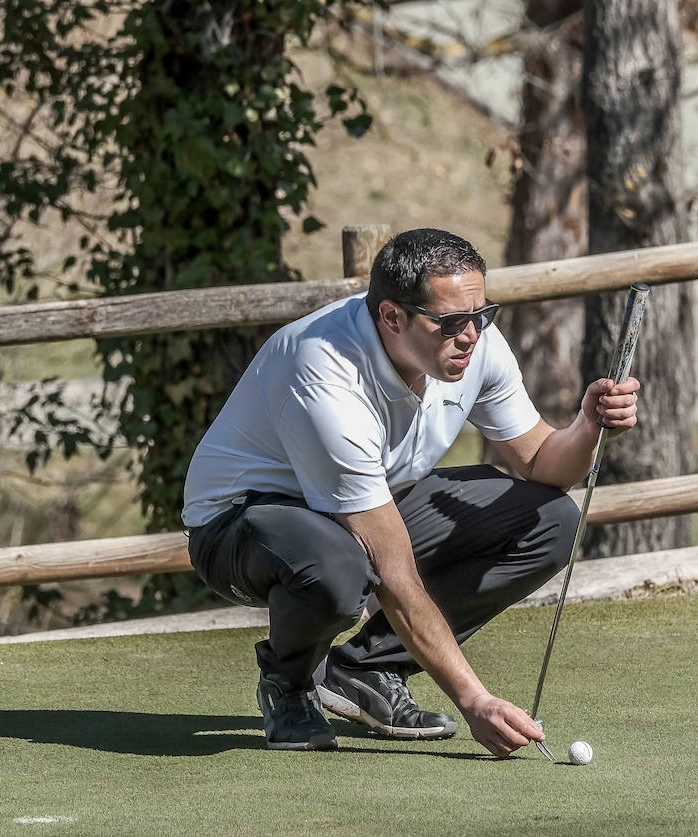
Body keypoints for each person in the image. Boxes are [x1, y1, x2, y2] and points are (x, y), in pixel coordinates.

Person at [181, 228, 640, 755]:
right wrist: (475, 700)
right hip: (240, 526)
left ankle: (364, 670)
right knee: (340, 570)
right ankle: (288, 686)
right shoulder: (324, 372)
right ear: (392, 318)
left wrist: (586, 426)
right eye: (449, 322)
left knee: (550, 519)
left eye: (480, 313)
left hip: (361, 510)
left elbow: (542, 463)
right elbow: (392, 569)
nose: (470, 334)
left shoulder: (474, 343)